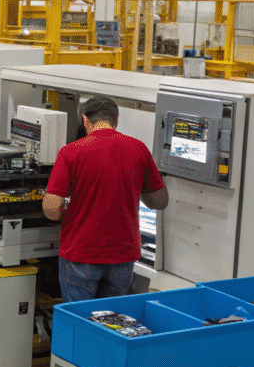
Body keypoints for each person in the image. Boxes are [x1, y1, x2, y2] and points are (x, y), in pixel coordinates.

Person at [42, 96, 169, 302]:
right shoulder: (139, 149)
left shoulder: (70, 152)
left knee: (79, 317)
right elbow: (159, 202)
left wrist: (68, 211)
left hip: (82, 253)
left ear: (85, 120)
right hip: (122, 256)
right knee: (111, 317)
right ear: (116, 120)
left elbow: (52, 209)